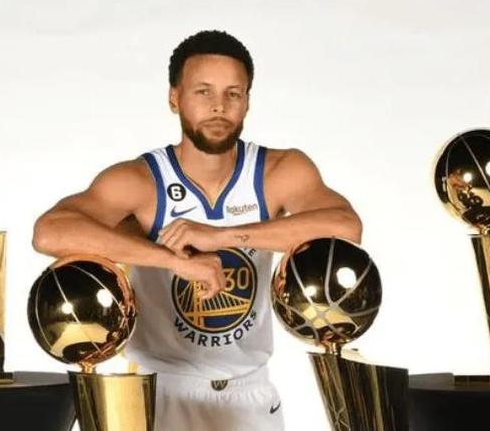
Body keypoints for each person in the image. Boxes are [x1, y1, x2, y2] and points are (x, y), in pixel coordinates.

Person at [32, 30, 362, 431]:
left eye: (233, 93)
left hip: (250, 393)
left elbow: (346, 226)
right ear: (175, 98)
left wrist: (221, 236)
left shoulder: (278, 170)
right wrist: (174, 261)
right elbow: (50, 232)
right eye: (203, 92)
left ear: (247, 101)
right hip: (160, 391)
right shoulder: (142, 179)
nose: (219, 106)